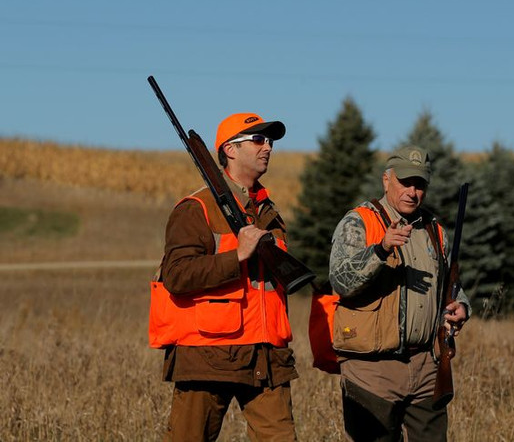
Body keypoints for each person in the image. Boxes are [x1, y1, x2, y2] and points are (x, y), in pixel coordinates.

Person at [151, 113, 298, 441]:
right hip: (209, 354)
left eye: (270, 141)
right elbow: (177, 275)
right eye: (258, 140)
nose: (268, 147)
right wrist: (237, 257)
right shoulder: (196, 208)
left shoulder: (268, 213)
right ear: (230, 149)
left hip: (265, 356)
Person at [328, 145, 471, 442]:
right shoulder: (359, 221)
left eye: (420, 184)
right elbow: (341, 281)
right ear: (386, 180)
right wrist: (380, 250)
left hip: (425, 367)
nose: (412, 191)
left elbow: (449, 285)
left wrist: (461, 305)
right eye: (405, 182)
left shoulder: (434, 229)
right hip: (371, 371)